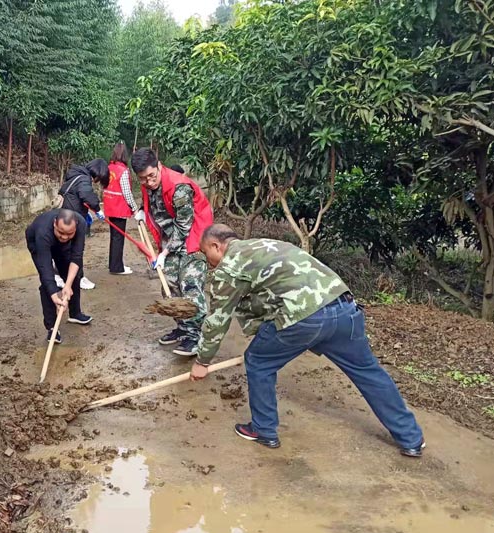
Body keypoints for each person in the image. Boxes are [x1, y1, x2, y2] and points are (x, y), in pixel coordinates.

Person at [189, 224, 426, 457]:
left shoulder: (229, 267)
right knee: (368, 371)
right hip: (345, 309)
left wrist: (202, 361)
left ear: (216, 246)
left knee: (259, 360)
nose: (206, 260)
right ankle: (411, 439)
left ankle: (263, 430)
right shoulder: (269, 245)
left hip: (306, 319)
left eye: (205, 252)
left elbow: (218, 319)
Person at [131, 148, 214, 356]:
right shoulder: (147, 184)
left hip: (194, 239)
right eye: (143, 179)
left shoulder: (180, 188)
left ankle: (197, 338)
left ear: (159, 166)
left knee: (190, 287)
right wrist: (142, 211)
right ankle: (184, 328)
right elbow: (152, 202)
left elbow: (184, 227)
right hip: (170, 241)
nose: (149, 182)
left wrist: (164, 254)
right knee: (168, 286)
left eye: (152, 176)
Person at [25, 209, 93, 343]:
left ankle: (75, 313)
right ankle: (52, 328)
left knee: (73, 275)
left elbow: (76, 256)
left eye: (69, 234)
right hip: (36, 243)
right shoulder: (43, 232)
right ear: (55, 223)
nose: (64, 237)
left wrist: (67, 285)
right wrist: (54, 294)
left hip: (61, 247)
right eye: (61, 232)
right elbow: (45, 267)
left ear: (76, 227)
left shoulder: (81, 224)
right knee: (48, 284)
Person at [58, 159, 108, 290]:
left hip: (65, 216)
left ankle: (62, 276)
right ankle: (78, 278)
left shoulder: (76, 175)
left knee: (65, 248)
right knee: (76, 249)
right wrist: (97, 209)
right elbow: (86, 195)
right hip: (72, 219)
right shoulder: (84, 179)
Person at [103, 143, 139, 275]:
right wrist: (134, 207)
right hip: (119, 208)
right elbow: (127, 192)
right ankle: (117, 267)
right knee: (118, 237)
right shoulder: (123, 171)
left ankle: (114, 264)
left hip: (110, 206)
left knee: (114, 236)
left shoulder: (109, 168)